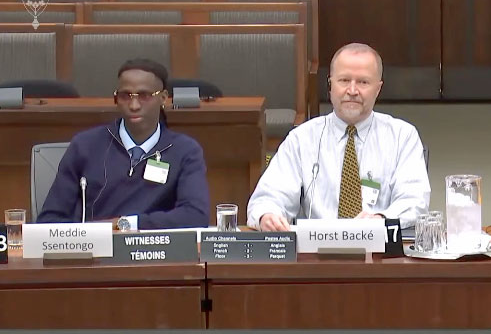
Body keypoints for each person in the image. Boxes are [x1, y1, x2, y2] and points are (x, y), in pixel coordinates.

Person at [247, 43, 430, 231]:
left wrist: (381, 218)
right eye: (344, 80)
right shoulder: (302, 139)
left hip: (380, 251)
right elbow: (268, 198)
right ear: (331, 85)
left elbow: (414, 201)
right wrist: (267, 215)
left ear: (378, 89)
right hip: (314, 252)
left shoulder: (402, 136)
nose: (352, 90)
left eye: (363, 82)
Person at [38, 59, 210, 229]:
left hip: (155, 251)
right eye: (125, 96)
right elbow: (49, 220)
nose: (134, 105)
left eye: (144, 96)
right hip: (96, 251)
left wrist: (124, 224)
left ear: (163, 98)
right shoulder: (85, 146)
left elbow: (195, 215)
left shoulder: (185, 150)